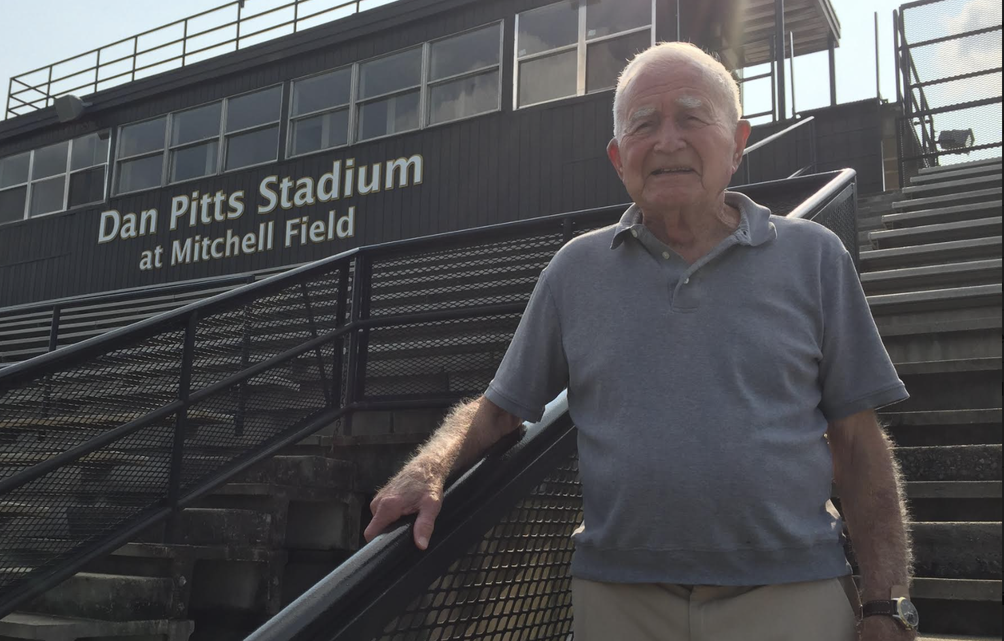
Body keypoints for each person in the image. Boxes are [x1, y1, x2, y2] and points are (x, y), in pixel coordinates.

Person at [363, 42, 918, 641]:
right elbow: (497, 412)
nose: (668, 140)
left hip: (789, 590)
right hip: (618, 599)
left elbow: (860, 445)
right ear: (619, 158)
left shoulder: (815, 257)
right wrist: (427, 469)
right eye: (644, 125)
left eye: (692, 116)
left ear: (738, 143)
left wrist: (887, 604)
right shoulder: (574, 271)